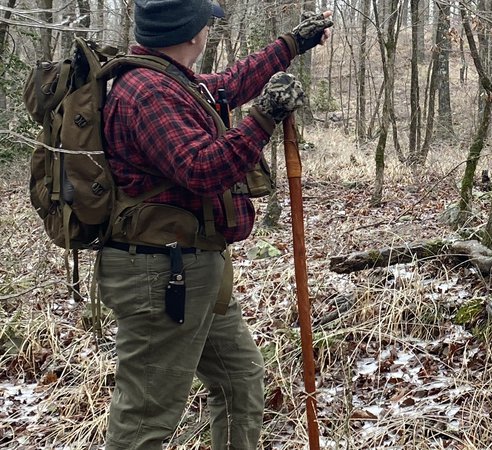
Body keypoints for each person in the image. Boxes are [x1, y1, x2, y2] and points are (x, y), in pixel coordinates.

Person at [97, 0, 332, 448]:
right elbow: (202, 169)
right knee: (144, 421)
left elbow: (228, 84)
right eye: (205, 22)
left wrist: (292, 44)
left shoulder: (173, 80)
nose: (208, 29)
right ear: (190, 34)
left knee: (239, 381)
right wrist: (263, 117)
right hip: (161, 276)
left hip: (190, 269)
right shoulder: (148, 92)